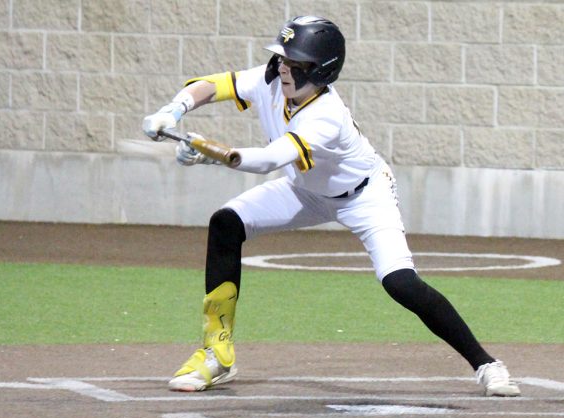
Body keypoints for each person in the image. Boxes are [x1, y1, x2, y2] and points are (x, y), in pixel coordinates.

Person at [142, 16, 520, 397]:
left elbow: (270, 159)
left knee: (400, 283)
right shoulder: (272, 78)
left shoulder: (326, 115)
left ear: (321, 70)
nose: (284, 68)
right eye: (283, 59)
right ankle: (216, 354)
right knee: (226, 223)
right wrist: (174, 109)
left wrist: (214, 153)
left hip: (365, 196)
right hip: (306, 190)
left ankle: (486, 363)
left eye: (296, 63)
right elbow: (216, 85)